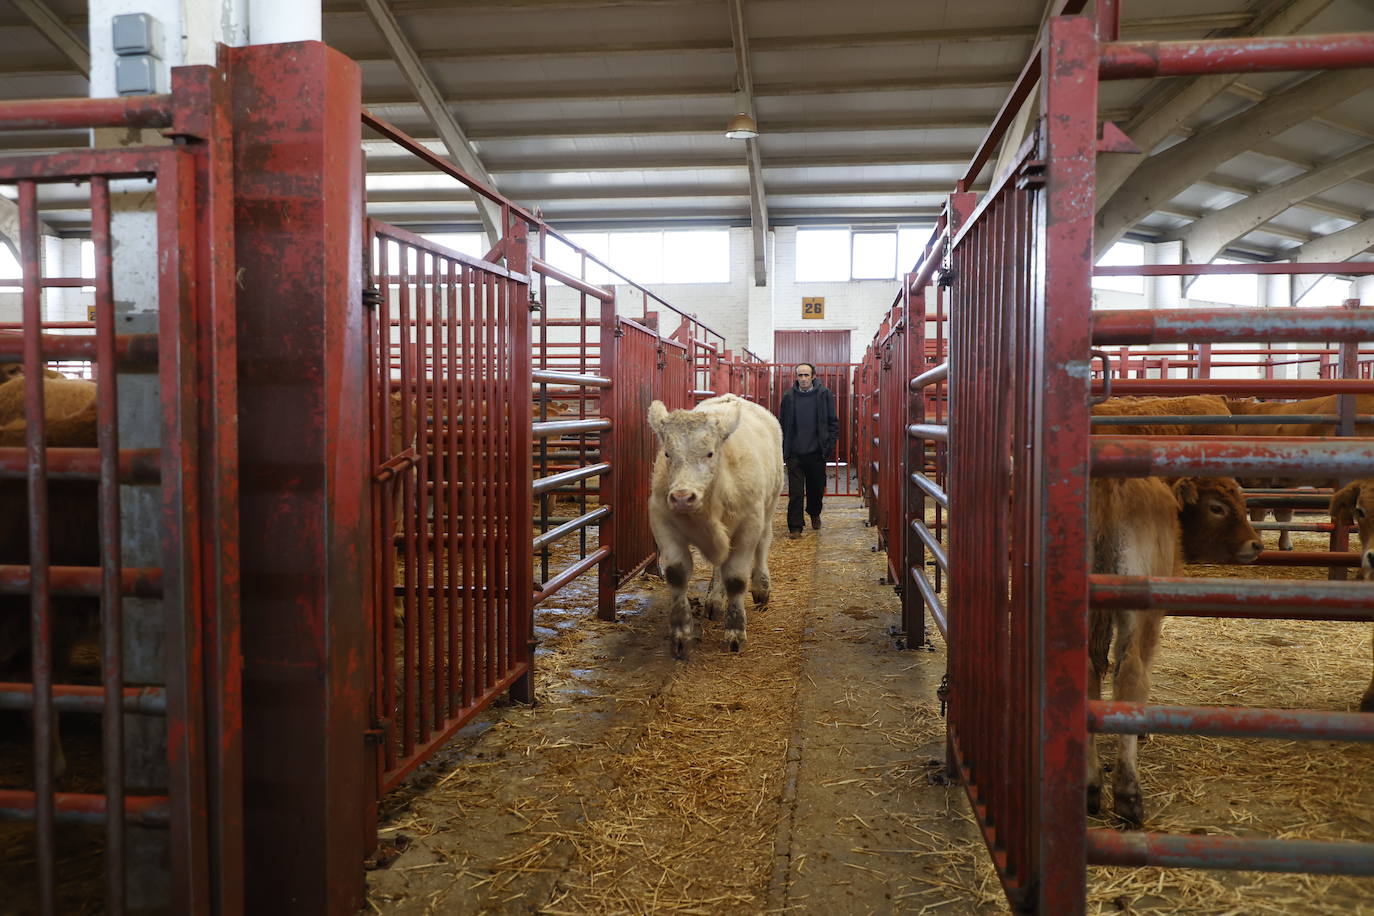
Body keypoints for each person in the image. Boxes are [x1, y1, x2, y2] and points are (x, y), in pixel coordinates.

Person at [778, 362, 839, 538]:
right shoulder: (788, 396)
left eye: (806, 375)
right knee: (795, 492)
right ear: (796, 377)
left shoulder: (824, 394)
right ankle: (795, 527)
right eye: (800, 375)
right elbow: (782, 423)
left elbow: (832, 421)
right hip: (795, 453)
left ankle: (814, 513)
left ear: (813, 376)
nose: (803, 379)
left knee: (816, 489)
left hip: (816, 452)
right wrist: (785, 448)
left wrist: (828, 445)